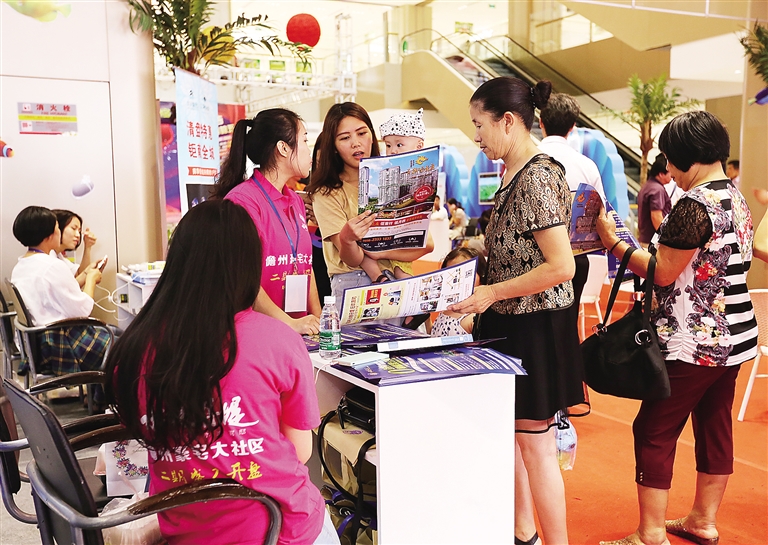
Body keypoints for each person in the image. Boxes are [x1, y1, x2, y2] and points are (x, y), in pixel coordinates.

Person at [105, 200, 339, 545]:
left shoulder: (135, 348)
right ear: (249, 266)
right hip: (278, 528)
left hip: (186, 530)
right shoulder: (279, 340)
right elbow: (300, 451)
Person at [595, 111, 758, 545]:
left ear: (687, 155)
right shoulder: (734, 195)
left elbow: (663, 272)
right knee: (715, 426)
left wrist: (614, 243)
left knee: (654, 429)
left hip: (694, 341)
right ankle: (703, 520)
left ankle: (650, 534)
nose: (667, 168)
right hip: (736, 337)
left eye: (669, 158)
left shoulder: (695, 204)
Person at [448, 77, 583, 545]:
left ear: (508, 121)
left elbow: (561, 266)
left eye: (479, 124)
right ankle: (523, 532)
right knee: (519, 439)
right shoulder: (513, 172)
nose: (476, 136)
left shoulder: (537, 176)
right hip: (514, 321)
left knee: (537, 447)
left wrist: (491, 293)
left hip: (534, 326)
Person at [212, 108, 321, 336]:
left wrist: (321, 320)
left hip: (298, 334)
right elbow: (243, 277)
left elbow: (305, 265)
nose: (309, 150)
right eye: (304, 140)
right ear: (283, 148)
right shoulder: (242, 201)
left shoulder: (295, 201)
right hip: (259, 335)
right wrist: (290, 323)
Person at [307, 102, 431, 300]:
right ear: (334, 146)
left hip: (398, 282)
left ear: (372, 135)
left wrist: (379, 254)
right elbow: (352, 258)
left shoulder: (395, 179)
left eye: (362, 133)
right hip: (354, 283)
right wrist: (348, 239)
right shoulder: (327, 192)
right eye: (345, 138)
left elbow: (426, 244)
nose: (356, 143)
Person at [10, 206, 109, 376]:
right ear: (49, 235)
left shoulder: (21, 266)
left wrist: (87, 275)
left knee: (119, 340)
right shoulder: (51, 266)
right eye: (58, 228)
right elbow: (83, 311)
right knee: (124, 348)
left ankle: (99, 391)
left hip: (36, 345)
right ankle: (105, 391)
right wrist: (91, 280)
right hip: (60, 345)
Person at [538, 92, 605, 317]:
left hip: (534, 262)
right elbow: (601, 214)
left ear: (541, 122)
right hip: (576, 259)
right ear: (572, 126)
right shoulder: (587, 165)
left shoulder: (525, 160)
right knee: (568, 325)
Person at [430, 247, 486, 337]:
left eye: (466, 273)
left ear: (482, 275)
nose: (458, 280)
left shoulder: (474, 318)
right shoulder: (447, 308)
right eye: (451, 274)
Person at [52, 209, 103, 288]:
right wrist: (91, 280)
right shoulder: (49, 259)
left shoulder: (58, 255)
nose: (78, 235)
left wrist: (88, 246)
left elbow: (79, 274)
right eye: (73, 228)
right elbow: (68, 290)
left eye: (79, 231)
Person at [637, 154, 673, 247]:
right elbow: (656, 216)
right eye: (669, 172)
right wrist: (666, 239)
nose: (672, 175)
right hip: (652, 241)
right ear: (661, 174)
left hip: (645, 238)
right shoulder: (657, 189)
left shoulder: (648, 185)